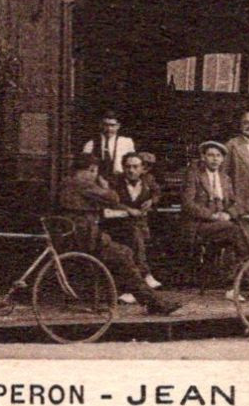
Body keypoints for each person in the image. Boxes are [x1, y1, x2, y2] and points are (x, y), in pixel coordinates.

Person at [60, 154, 180, 315]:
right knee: (124, 254)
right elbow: (112, 198)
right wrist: (104, 186)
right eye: (95, 171)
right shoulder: (83, 182)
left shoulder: (67, 181)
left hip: (79, 235)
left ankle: (143, 297)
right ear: (91, 169)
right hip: (86, 237)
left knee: (126, 251)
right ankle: (152, 302)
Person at [181, 141, 249, 295]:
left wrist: (228, 214)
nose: (215, 159)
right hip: (200, 225)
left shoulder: (225, 178)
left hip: (221, 225)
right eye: (211, 155)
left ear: (222, 159)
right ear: (203, 157)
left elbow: (236, 203)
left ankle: (236, 282)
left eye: (218, 156)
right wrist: (212, 216)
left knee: (237, 231)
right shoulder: (194, 175)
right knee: (234, 230)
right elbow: (188, 203)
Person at [109, 151, 162, 290]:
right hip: (118, 224)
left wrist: (151, 201)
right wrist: (127, 209)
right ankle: (145, 274)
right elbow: (111, 201)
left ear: (142, 168)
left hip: (141, 224)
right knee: (134, 235)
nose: (131, 170)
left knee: (138, 235)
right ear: (123, 167)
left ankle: (133, 287)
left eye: (135, 166)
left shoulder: (148, 180)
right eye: (128, 167)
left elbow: (157, 192)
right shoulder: (115, 182)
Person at [81, 110, 136, 181]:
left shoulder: (126, 142)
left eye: (112, 125)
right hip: (97, 182)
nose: (109, 129)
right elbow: (85, 167)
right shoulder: (90, 144)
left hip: (120, 181)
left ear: (118, 126)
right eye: (106, 125)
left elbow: (133, 163)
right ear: (100, 125)